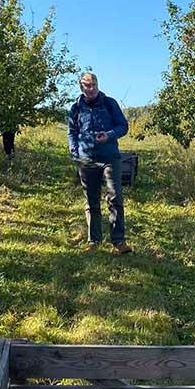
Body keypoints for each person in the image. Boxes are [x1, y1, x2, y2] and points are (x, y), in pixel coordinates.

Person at [68, 72, 132, 254]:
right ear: (82, 88)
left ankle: (118, 241)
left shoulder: (110, 103)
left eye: (94, 85)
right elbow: (72, 132)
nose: (91, 89)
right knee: (91, 201)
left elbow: (123, 126)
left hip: (109, 157)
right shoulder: (76, 108)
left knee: (115, 197)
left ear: (98, 85)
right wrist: (75, 153)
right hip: (86, 159)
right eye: (87, 86)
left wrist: (110, 135)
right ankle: (94, 241)